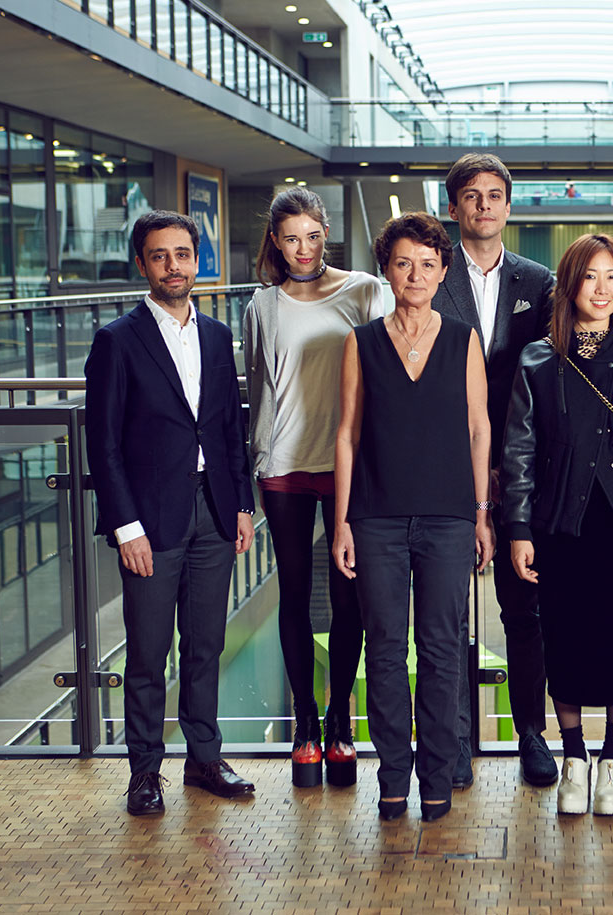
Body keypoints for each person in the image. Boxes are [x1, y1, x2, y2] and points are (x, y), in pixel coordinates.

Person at [501, 233, 613, 817]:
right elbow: (518, 452)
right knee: (565, 638)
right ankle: (574, 757)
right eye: (589, 277)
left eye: (612, 277)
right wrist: (519, 529)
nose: (602, 289)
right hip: (562, 520)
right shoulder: (538, 359)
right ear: (570, 285)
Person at [85, 210, 256, 817]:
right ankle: (144, 773)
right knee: (148, 653)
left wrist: (242, 504)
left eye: (182, 254)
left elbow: (228, 428)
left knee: (206, 644)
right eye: (159, 256)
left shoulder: (216, 334)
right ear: (142, 264)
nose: (173, 266)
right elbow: (103, 445)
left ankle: (204, 760)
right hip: (150, 523)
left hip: (214, 512)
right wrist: (125, 525)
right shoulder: (116, 340)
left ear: (196, 261)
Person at [331, 212, 494, 822]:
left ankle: (438, 777)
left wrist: (481, 515)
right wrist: (342, 522)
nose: (416, 275)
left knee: (442, 648)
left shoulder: (463, 340)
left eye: (428, 264)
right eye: (404, 264)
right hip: (375, 517)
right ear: (387, 271)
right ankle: (393, 777)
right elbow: (346, 436)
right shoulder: (361, 342)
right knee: (384, 650)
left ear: (443, 271)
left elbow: (479, 430)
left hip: (449, 518)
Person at [243, 187, 379, 787]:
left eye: (313, 237)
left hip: (349, 465)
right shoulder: (261, 305)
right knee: (294, 593)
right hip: (286, 465)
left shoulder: (364, 290)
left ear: (327, 234)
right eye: (292, 239)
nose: (304, 249)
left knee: (349, 596)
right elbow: (256, 389)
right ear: (276, 242)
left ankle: (340, 718)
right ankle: (304, 724)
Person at [431, 153, 557, 790]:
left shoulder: (540, 282)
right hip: (445, 465)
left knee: (524, 608)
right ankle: (456, 739)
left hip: (518, 469)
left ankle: (531, 733)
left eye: (494, 195)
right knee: (448, 614)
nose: (483, 205)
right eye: (471, 195)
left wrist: (516, 465)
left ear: (509, 206)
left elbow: (551, 377)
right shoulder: (431, 274)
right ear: (454, 207)